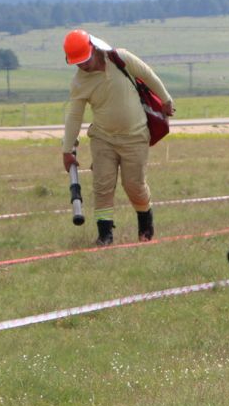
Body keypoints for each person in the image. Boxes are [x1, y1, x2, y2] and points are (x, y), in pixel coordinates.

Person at [61, 29, 175, 246]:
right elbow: (74, 116)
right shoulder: (79, 83)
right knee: (102, 185)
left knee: (134, 185)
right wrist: (67, 150)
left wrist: (166, 99)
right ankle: (105, 235)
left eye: (85, 60)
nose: (83, 66)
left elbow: (147, 75)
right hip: (103, 139)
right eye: (77, 63)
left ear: (94, 49)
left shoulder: (120, 58)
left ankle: (146, 226)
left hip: (136, 136)